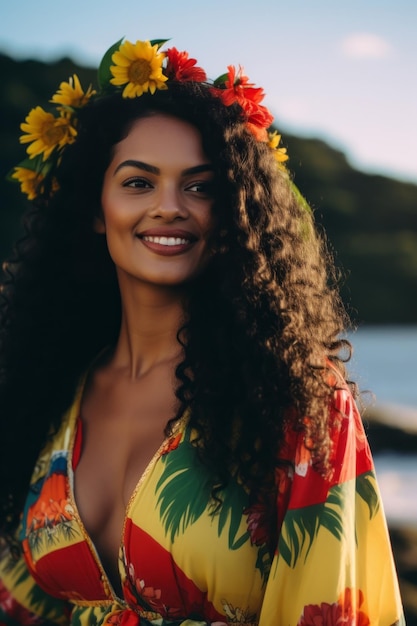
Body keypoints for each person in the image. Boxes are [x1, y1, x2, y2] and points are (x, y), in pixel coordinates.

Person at [0, 38, 404, 626]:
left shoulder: (299, 401)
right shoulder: (48, 391)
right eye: (138, 183)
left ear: (234, 212)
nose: (170, 206)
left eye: (201, 186)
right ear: (95, 207)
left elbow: (335, 609)